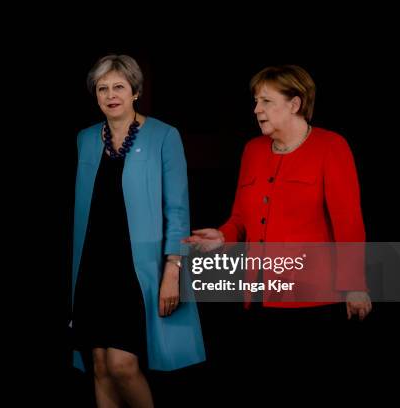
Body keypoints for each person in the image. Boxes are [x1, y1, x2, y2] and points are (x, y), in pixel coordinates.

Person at [184, 65, 372, 320]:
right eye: (256, 101)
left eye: (266, 101)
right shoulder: (253, 150)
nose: (256, 109)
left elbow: (348, 223)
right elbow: (240, 218)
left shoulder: (331, 146)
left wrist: (354, 285)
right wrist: (221, 236)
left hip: (314, 298)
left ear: (295, 104)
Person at [71, 54, 205, 407]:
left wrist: (173, 269)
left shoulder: (164, 135)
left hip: (136, 268)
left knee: (123, 364)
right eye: (102, 88)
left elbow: (178, 209)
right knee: (99, 365)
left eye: (118, 87)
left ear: (135, 92)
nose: (110, 95)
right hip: (91, 266)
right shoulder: (85, 139)